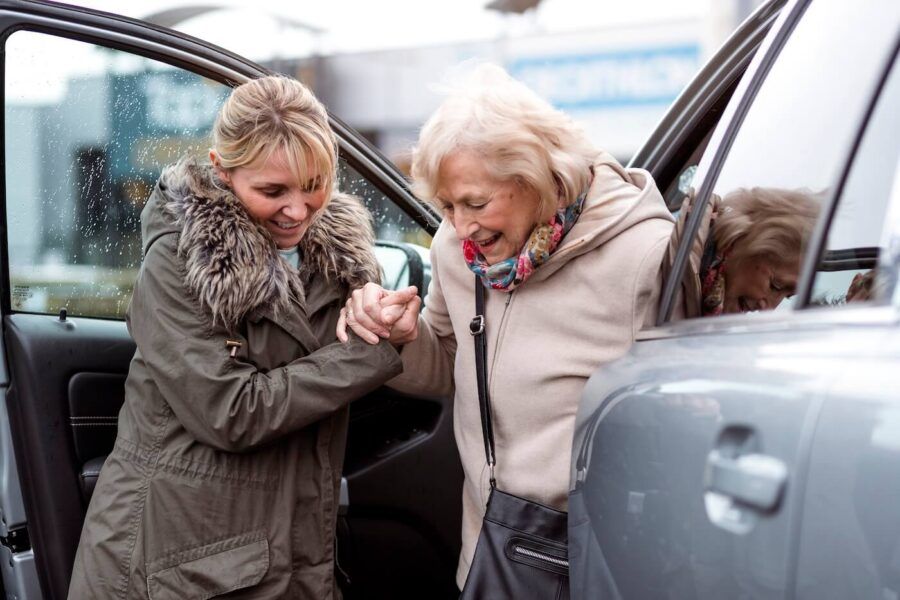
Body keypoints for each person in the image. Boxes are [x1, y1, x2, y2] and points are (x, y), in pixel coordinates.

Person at [337, 64, 675, 590]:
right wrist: (404, 338)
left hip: (594, 563)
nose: (461, 226)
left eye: (476, 203)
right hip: (489, 553)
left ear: (540, 177)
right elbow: (449, 365)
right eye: (447, 206)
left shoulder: (646, 255)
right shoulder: (458, 248)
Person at [68, 76, 404, 599]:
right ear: (222, 171)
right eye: (273, 191)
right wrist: (368, 351)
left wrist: (382, 315)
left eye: (315, 184)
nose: (298, 210)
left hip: (286, 548)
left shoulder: (340, 257)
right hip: (175, 560)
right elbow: (231, 411)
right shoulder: (180, 261)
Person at [669, 186, 821, 317]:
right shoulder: (658, 265)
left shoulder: (707, 307)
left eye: (787, 297)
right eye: (776, 285)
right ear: (742, 240)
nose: (768, 309)